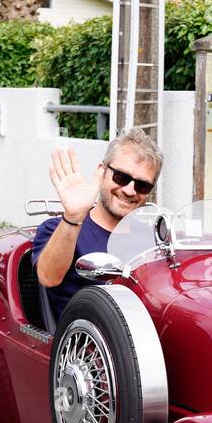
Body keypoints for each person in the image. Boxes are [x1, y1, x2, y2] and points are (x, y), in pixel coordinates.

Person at [32, 127, 163, 321]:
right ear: (102, 172)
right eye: (121, 177)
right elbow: (48, 277)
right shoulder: (58, 228)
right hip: (86, 344)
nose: (129, 190)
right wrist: (74, 216)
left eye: (142, 185)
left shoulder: (154, 239)